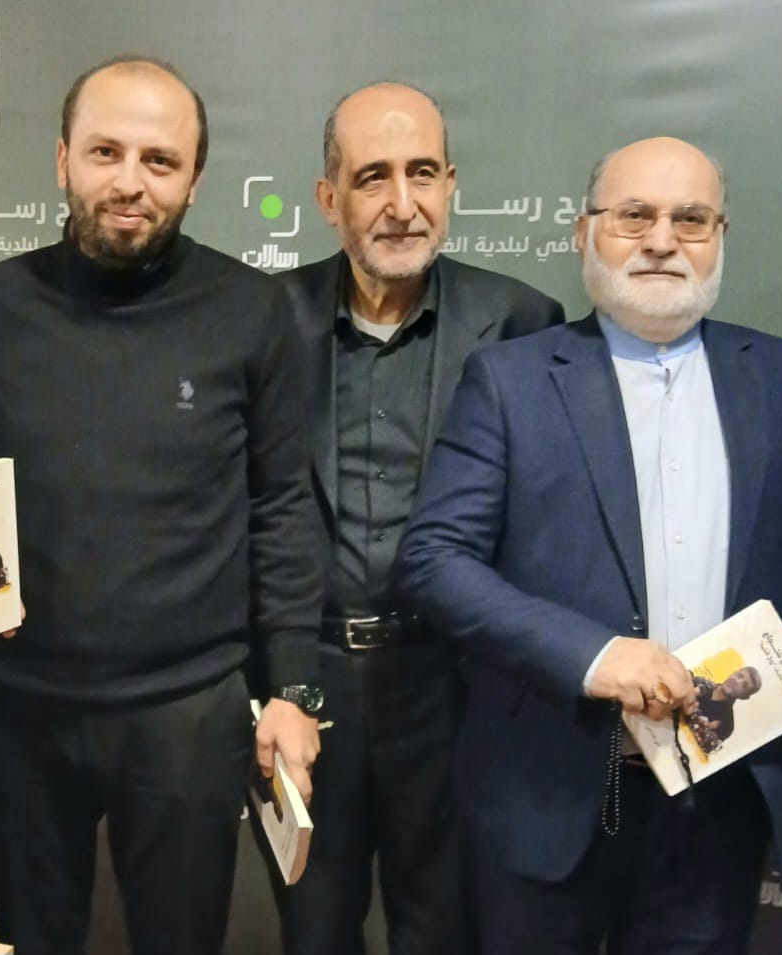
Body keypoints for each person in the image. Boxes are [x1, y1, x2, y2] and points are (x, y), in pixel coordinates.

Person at [394, 136, 782, 953]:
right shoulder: (510, 380)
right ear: (584, 232)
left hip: (719, 804)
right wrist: (595, 656)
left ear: (721, 236)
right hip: (547, 790)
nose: (662, 240)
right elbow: (434, 560)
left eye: (691, 219)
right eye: (635, 216)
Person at [0, 55, 322, 955]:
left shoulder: (253, 309)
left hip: (188, 711)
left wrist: (291, 688)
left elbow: (281, 507)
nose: (130, 181)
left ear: (194, 178)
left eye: (159, 160)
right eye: (105, 151)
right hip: (20, 711)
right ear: (61, 160)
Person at [272, 82, 563, 955]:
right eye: (373, 177)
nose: (403, 203)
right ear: (329, 198)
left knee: (442, 930)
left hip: (454, 688)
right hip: (309, 687)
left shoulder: (520, 322)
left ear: (451, 184)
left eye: (424, 173)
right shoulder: (263, 320)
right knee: (314, 932)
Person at [685, 666, 761, 752]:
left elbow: (705, 749)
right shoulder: (699, 682)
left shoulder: (727, 725)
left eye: (744, 685)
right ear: (732, 673)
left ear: (744, 696)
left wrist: (701, 727)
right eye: (739, 675)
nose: (737, 681)